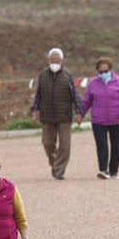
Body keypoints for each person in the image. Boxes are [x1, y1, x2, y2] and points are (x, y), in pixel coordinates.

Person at [78, 56, 119, 180]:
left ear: (110, 69)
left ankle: (114, 171)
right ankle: (103, 170)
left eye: (106, 71)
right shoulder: (93, 83)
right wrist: (80, 114)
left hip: (116, 120)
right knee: (101, 145)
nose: (103, 74)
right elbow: (86, 100)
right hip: (99, 120)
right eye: (101, 72)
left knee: (116, 145)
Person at [30, 47, 82, 180]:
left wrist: (78, 112)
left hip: (64, 116)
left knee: (65, 145)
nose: (54, 63)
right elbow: (38, 95)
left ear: (62, 61)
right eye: (52, 60)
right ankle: (55, 163)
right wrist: (35, 110)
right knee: (47, 143)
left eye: (57, 61)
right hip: (47, 116)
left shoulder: (68, 75)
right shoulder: (43, 75)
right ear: (48, 60)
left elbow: (75, 95)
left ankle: (59, 171)